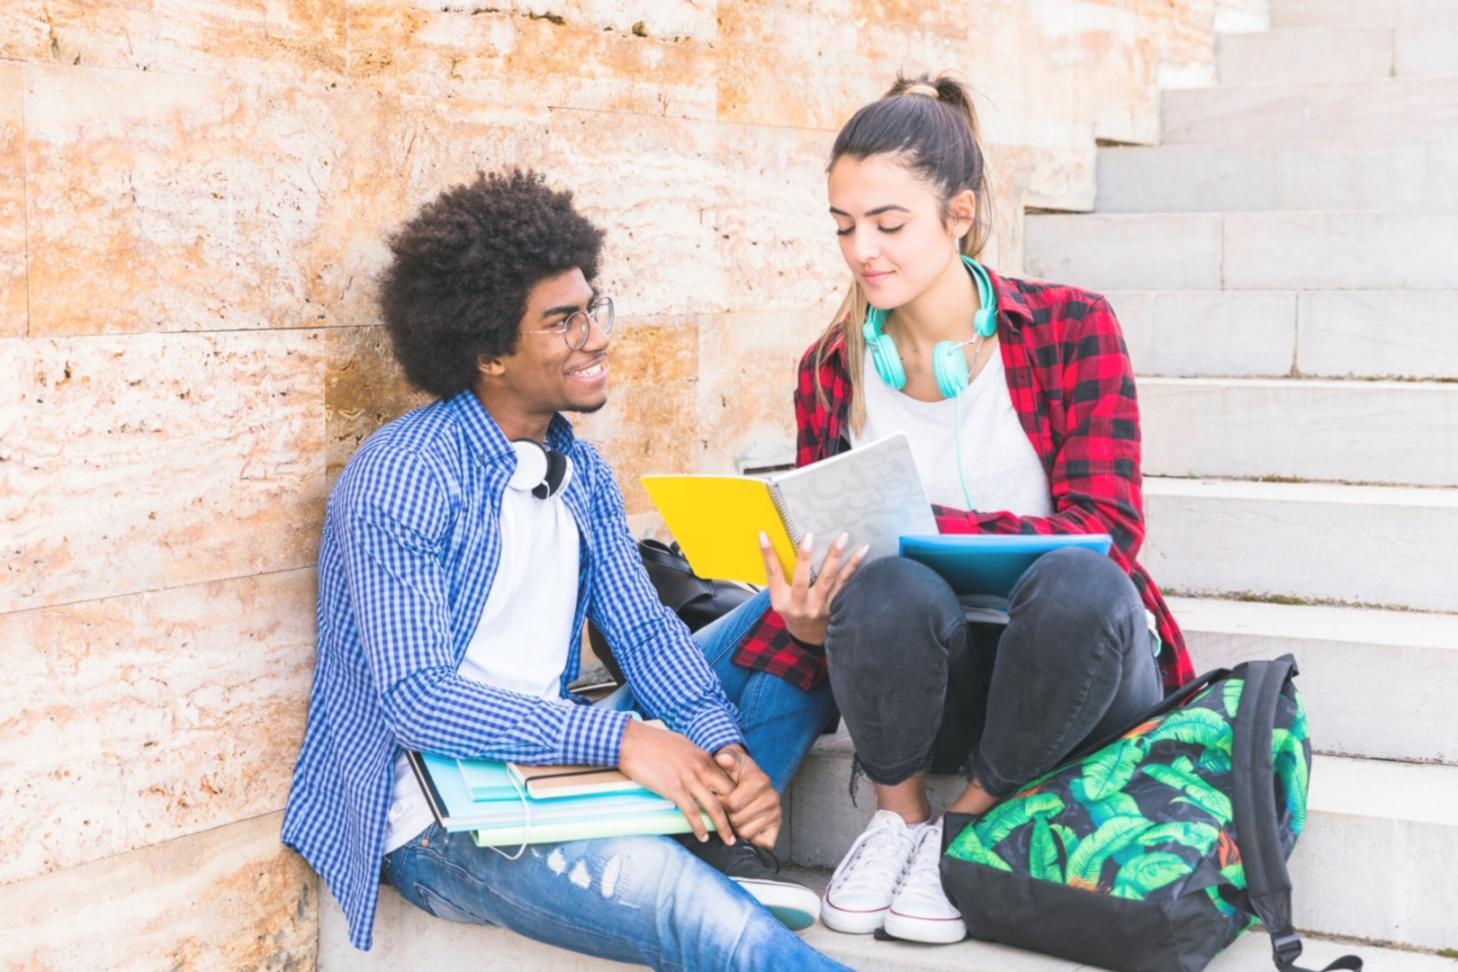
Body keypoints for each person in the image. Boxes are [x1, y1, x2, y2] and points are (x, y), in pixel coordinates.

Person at [280, 169, 847, 969]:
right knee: (710, 928)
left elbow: (648, 636)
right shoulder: (403, 477)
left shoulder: (577, 468)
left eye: (592, 309)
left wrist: (725, 748)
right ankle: (704, 874)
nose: (597, 337)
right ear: (488, 352)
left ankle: (722, 825)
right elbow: (417, 699)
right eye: (562, 323)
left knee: (803, 602)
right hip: (442, 817)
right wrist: (619, 739)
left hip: (554, 765)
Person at [733, 73, 1197, 945]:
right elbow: (833, 559)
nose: (863, 249)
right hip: (922, 684)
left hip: (1067, 673)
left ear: (959, 214)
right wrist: (804, 618)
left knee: (1084, 583)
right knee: (880, 588)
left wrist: (924, 523)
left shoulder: (1070, 327)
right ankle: (900, 818)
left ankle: (968, 825)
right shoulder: (830, 368)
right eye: (844, 226)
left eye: (889, 223)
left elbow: (1113, 530)